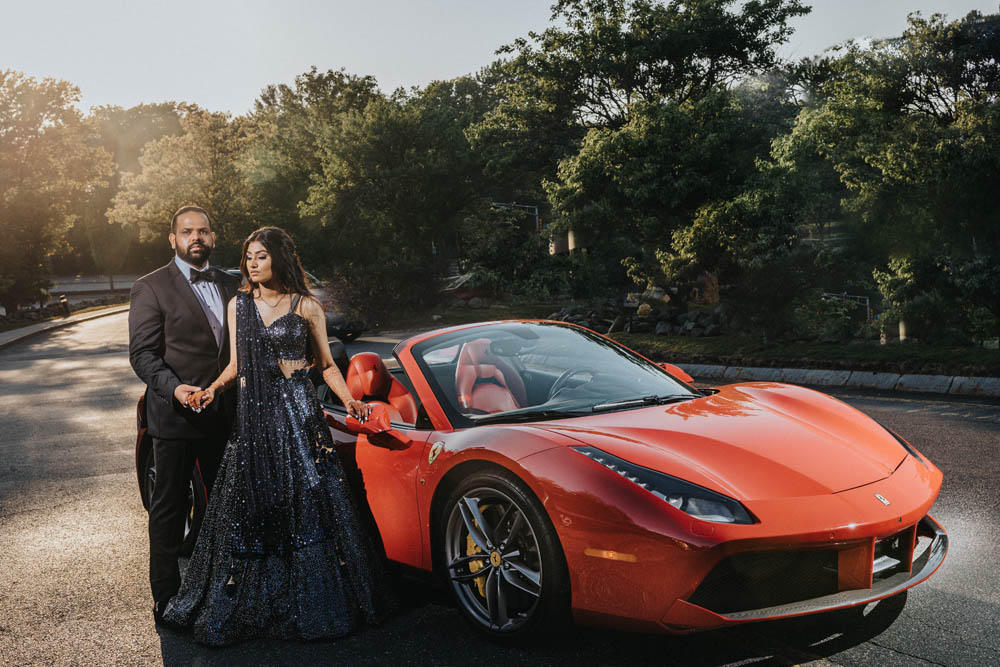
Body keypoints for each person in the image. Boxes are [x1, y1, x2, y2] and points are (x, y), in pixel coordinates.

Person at [162, 226, 395, 645]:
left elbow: (325, 365)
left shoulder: (306, 306)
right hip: (254, 420)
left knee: (307, 502)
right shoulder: (239, 306)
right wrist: (212, 390)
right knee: (248, 504)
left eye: (261, 256)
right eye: (248, 257)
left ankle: (312, 600)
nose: (252, 263)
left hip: (300, 415)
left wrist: (351, 400)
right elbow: (237, 364)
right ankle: (251, 601)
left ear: (280, 259)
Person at [128, 205, 242, 628]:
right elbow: (142, 354)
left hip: (226, 416)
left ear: (213, 238)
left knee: (228, 505)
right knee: (169, 509)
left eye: (204, 231)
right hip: (174, 415)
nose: (196, 237)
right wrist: (176, 389)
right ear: (172, 239)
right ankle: (167, 597)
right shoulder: (150, 287)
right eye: (187, 231)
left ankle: (225, 585)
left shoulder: (233, 284)